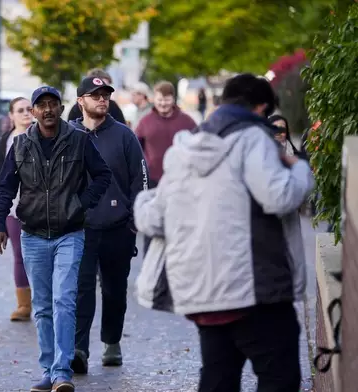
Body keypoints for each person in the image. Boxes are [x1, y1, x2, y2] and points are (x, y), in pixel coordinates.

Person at [134, 73, 314, 392]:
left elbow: (153, 219)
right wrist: (299, 167)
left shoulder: (185, 149)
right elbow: (280, 196)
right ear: (261, 108)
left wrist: (146, 198)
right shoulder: (253, 139)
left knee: (219, 377)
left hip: (204, 293)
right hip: (254, 289)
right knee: (279, 376)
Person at [0, 86, 112, 392]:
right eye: (41, 105)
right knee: (43, 306)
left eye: (52, 104)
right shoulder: (20, 145)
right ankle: (48, 369)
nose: (47, 109)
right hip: (32, 234)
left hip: (69, 233)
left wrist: (81, 204)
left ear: (60, 109)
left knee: (64, 300)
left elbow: (102, 175)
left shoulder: (79, 140)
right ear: (32, 112)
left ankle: (62, 372)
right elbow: (4, 188)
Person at [68, 77, 146, 373]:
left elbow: (140, 179)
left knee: (114, 291)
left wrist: (134, 218)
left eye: (106, 95)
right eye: (95, 95)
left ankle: (112, 342)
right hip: (79, 228)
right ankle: (79, 349)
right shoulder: (69, 134)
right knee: (81, 290)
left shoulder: (125, 136)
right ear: (80, 102)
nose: (102, 99)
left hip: (117, 227)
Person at [135, 81, 197, 254]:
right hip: (153, 181)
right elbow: (135, 149)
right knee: (152, 225)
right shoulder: (145, 122)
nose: (163, 104)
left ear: (173, 99)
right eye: (160, 100)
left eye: (167, 100)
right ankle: (150, 264)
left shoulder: (187, 122)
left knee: (180, 226)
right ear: (154, 99)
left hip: (181, 182)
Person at [0, 96, 34, 322]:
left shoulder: (47, 136)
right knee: (20, 256)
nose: (26, 113)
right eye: (21, 110)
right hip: (14, 209)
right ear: (12, 115)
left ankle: (48, 299)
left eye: (29, 109)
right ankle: (24, 304)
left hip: (43, 208)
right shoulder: (5, 143)